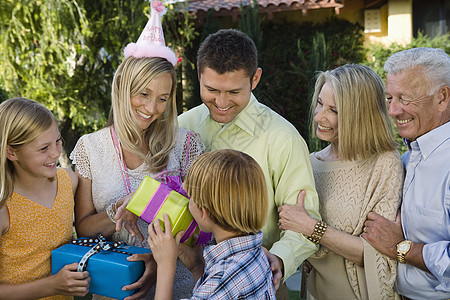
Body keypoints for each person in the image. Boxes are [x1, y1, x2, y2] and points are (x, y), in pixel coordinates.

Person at [70, 2, 205, 299]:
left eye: (162, 98)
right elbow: (84, 229)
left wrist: (146, 198)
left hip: (180, 284)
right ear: (123, 88)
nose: (151, 108)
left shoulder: (186, 145)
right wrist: (125, 205)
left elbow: (202, 221)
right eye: (143, 94)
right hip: (117, 287)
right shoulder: (90, 148)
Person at [178, 28, 320, 299]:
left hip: (258, 281)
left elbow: (307, 219)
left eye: (233, 92)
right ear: (199, 74)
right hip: (188, 277)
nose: (221, 102)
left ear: (255, 79)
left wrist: (277, 259)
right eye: (211, 90)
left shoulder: (283, 138)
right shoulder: (183, 126)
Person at [278, 64, 404, 299]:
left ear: (360, 115)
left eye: (333, 110)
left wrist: (311, 228)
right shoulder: (310, 163)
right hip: (314, 293)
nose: (318, 116)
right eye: (319, 103)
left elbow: (378, 253)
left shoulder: (385, 164)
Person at [362, 47, 450, 299]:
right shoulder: (407, 158)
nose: (393, 111)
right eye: (389, 98)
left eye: (405, 98)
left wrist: (402, 248)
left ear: (442, 97)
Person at [148, 149, 276, 299]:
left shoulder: (222, 277)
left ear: (204, 211)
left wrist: (165, 266)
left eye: (191, 197)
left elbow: (218, 288)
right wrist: (197, 267)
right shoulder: (258, 254)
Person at [0, 98, 90, 300]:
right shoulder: (4, 207)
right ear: (11, 152)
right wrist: (52, 286)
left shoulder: (70, 182)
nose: (56, 153)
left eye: (57, 141)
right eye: (43, 148)